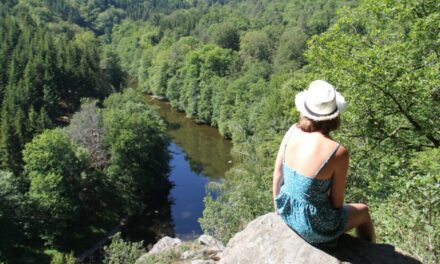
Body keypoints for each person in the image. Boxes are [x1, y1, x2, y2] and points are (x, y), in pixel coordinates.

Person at [272, 80, 376, 246]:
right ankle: (370, 252)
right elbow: (336, 203)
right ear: (335, 115)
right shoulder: (338, 152)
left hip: (286, 210)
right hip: (313, 228)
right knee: (363, 211)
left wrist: (279, 209)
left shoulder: (292, 131)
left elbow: (278, 174)